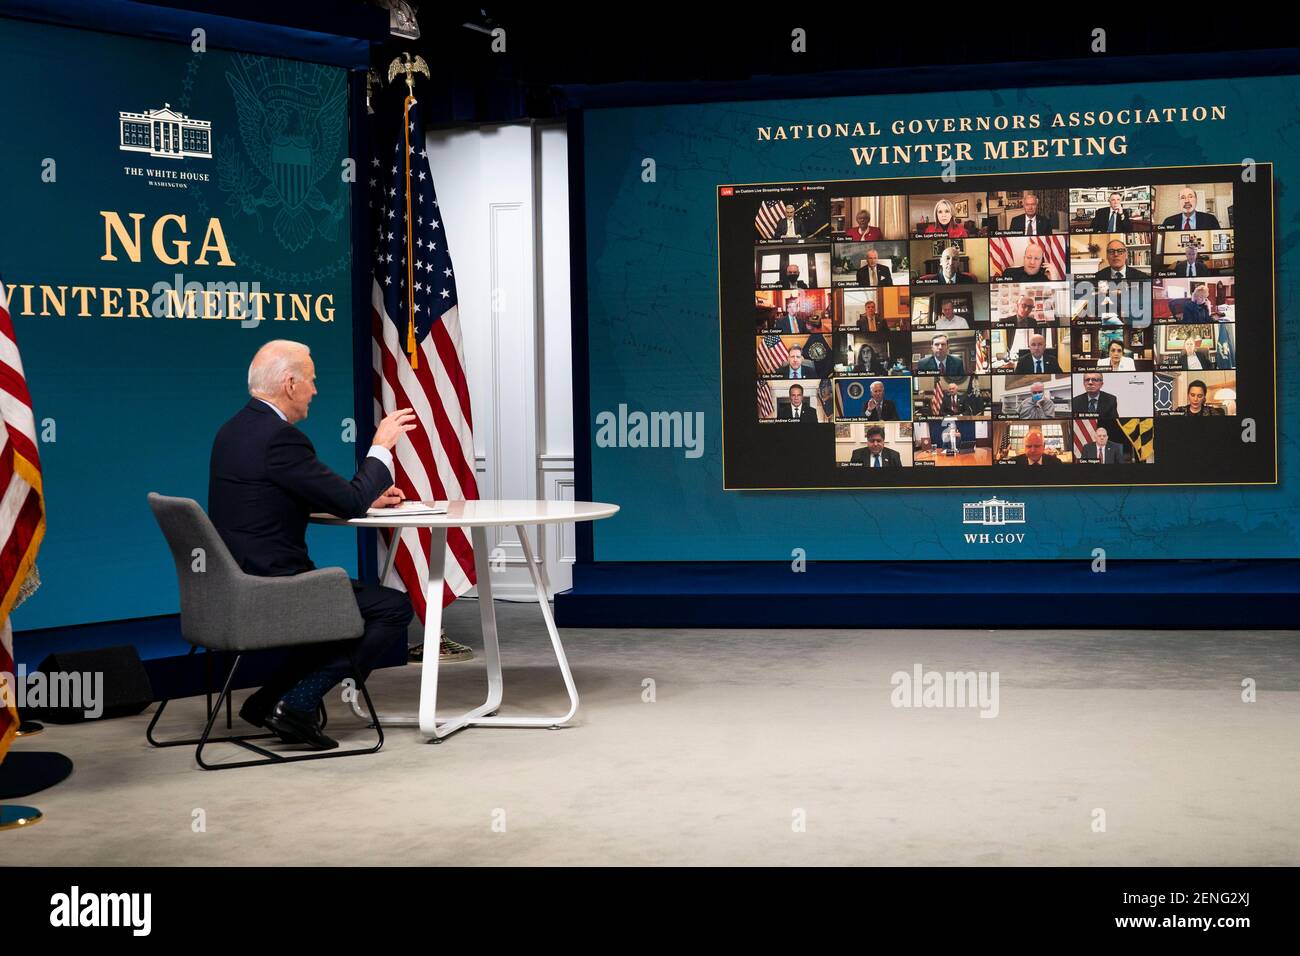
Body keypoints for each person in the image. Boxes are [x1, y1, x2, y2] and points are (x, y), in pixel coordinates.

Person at [209, 340, 417, 750]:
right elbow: (350, 503)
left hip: (231, 588)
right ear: (289, 384)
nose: (315, 390)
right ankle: (297, 704)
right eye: (311, 380)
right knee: (392, 608)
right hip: (273, 589)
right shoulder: (281, 439)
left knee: (346, 603)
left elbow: (272, 496)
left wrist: (364, 497)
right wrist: (381, 447)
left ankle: (267, 701)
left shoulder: (233, 430)